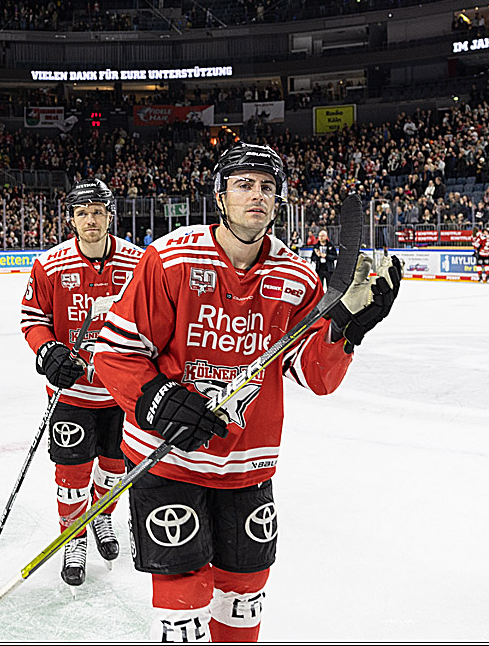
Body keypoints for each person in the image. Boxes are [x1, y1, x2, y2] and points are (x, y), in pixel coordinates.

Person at [92, 142, 402, 642]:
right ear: (220, 196)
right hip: (169, 459)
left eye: (266, 187)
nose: (256, 195)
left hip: (247, 466)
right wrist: (155, 399)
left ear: (277, 201)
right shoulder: (169, 260)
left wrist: (346, 328)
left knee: (242, 604)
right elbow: (116, 352)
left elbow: (311, 373)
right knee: (184, 609)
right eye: (243, 184)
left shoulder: (297, 277)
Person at [20, 179, 145, 587]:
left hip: (121, 392)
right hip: (70, 394)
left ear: (110, 215)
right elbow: (32, 319)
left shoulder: (140, 262)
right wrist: (47, 352)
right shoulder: (50, 264)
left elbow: (155, 322)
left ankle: (102, 517)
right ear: (71, 219)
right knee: (71, 473)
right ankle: (73, 537)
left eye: (97, 211)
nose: (90, 220)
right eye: (82, 212)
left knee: (112, 469)